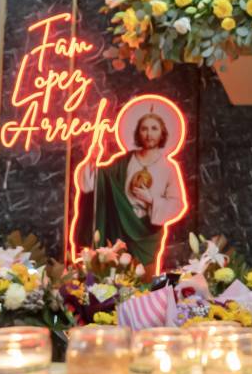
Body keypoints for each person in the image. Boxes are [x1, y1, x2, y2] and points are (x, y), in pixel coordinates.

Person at [77, 109, 186, 269]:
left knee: (144, 283)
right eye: (144, 129)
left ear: (162, 133)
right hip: (118, 231)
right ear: (137, 133)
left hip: (146, 233)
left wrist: (151, 200)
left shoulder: (169, 168)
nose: (149, 134)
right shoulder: (124, 162)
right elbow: (98, 183)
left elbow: (177, 204)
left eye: (154, 128)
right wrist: (92, 160)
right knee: (116, 281)